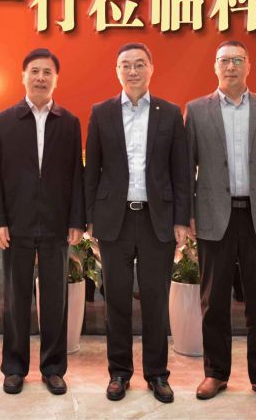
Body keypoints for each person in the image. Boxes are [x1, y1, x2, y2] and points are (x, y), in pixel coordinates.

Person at [184, 41, 256, 406]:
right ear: (215, 67)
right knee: (213, 300)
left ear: (249, 66)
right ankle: (215, 373)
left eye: (237, 60)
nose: (231, 66)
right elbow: (186, 168)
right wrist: (188, 213)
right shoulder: (196, 110)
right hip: (213, 214)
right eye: (224, 60)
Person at [84, 42, 191, 403]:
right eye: (126, 65)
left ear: (151, 69)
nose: (133, 71)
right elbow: (92, 169)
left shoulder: (169, 113)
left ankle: (157, 374)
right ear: (117, 71)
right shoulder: (101, 112)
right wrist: (90, 219)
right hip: (113, 221)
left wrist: (181, 219)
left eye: (139, 64)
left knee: (155, 300)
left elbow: (180, 171)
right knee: (115, 299)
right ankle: (119, 372)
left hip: (156, 220)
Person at [0, 48, 85, 396]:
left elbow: (77, 175)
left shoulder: (69, 122)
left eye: (47, 72)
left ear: (56, 79)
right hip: (17, 223)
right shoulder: (4, 122)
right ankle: (14, 368)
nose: (41, 78)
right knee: (16, 300)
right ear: (23, 77)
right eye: (35, 71)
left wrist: (76, 220)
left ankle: (53, 368)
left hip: (56, 223)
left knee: (55, 299)